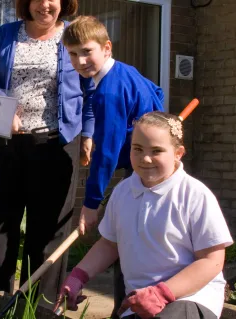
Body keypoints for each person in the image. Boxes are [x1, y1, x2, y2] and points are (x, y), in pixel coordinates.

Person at [54, 112, 234, 319]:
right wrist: (78, 276)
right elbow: (109, 244)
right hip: (138, 302)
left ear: (178, 153)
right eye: (137, 149)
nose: (145, 159)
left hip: (189, 299)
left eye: (156, 151)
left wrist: (162, 294)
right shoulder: (123, 191)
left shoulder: (194, 195)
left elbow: (212, 261)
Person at [0, 0, 90, 300]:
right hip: (8, 144)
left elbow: (91, 88)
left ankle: (39, 307)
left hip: (57, 145)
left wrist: (88, 133)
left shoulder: (74, 36)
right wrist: (3, 108)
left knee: (48, 233)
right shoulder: (6, 34)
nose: (44, 4)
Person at [62, 15, 165, 315]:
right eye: (73, 53)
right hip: (151, 167)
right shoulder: (125, 72)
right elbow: (156, 92)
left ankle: (125, 308)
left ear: (106, 48)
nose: (80, 61)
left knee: (128, 237)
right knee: (135, 235)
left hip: (142, 173)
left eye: (86, 51)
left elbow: (106, 156)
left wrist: (91, 203)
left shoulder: (109, 91)